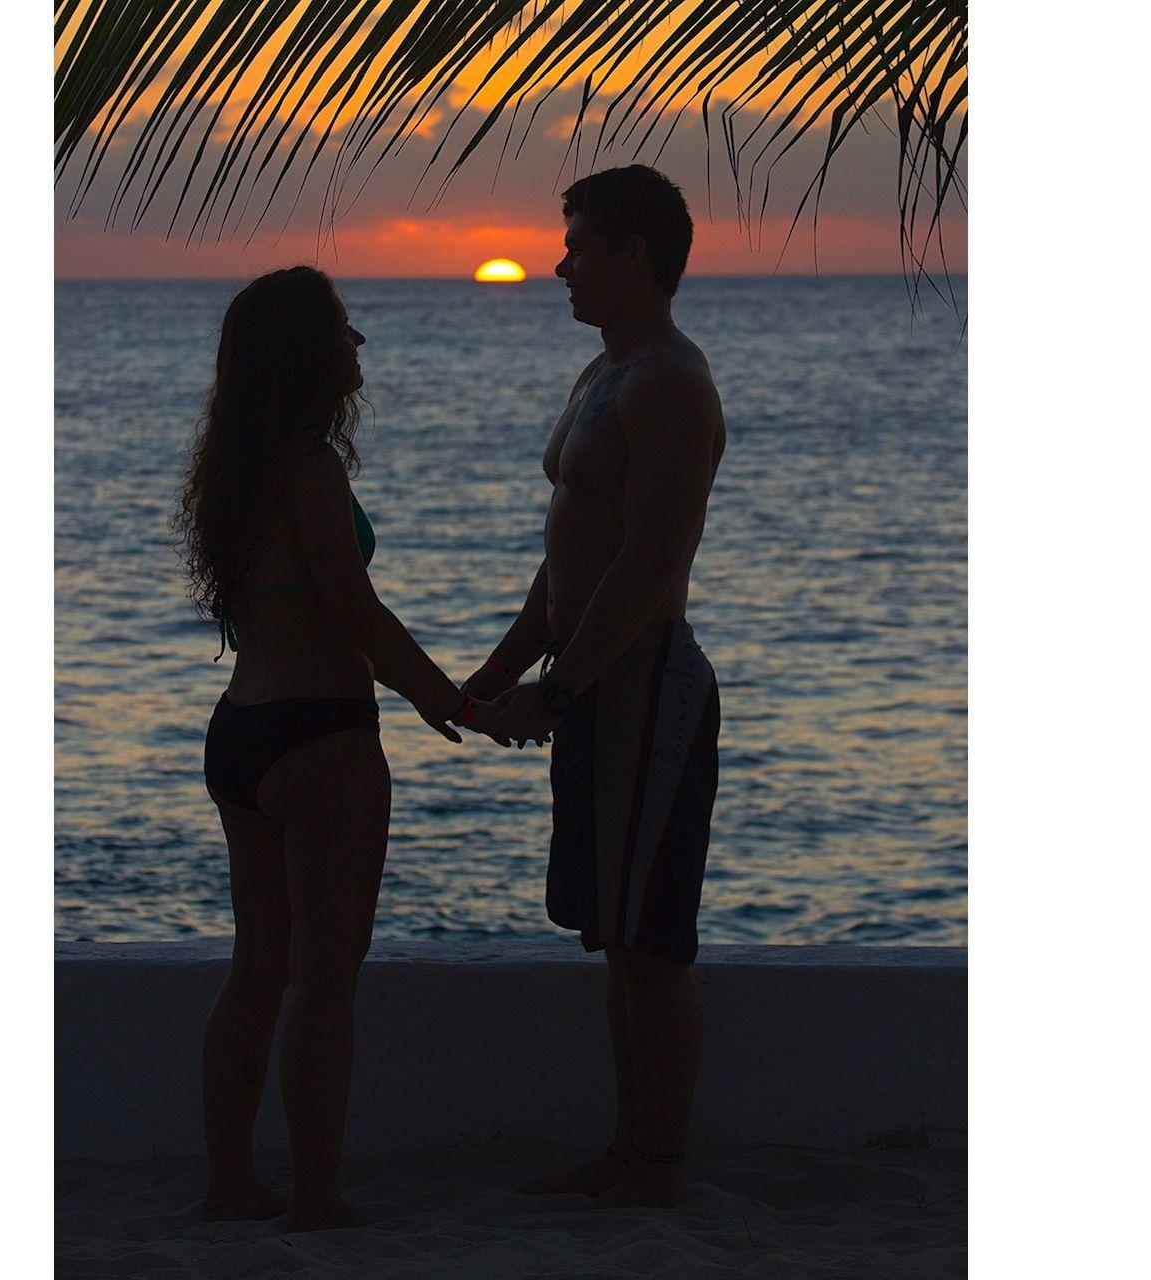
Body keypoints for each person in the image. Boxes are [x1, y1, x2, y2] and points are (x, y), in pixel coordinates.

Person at [175, 267, 497, 1232]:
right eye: (344, 331)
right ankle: (317, 1195)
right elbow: (356, 612)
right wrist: (455, 703)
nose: (360, 345)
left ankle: (230, 1184)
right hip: (321, 736)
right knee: (325, 978)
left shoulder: (234, 469)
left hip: (241, 733)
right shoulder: (308, 466)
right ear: (305, 354)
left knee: (257, 969)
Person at [469, 166, 726, 1208]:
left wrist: (561, 689)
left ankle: (655, 1161)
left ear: (632, 254)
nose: (559, 263)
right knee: (614, 930)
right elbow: (571, 548)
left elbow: (648, 564)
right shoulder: (601, 375)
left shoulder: (670, 382)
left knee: (648, 939)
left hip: (641, 683)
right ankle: (628, 1150)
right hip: (593, 683)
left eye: (576, 244)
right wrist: (503, 666)